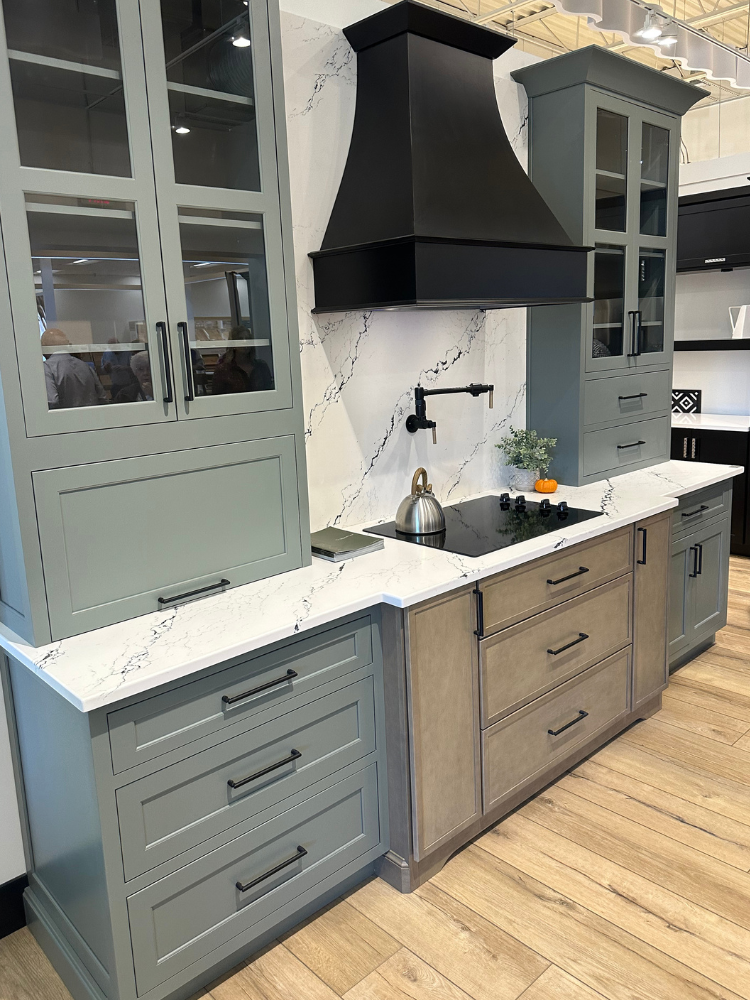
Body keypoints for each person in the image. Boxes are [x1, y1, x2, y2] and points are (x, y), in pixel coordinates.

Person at [42, 328, 108, 409]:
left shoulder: (47, 368)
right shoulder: (86, 366)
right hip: (91, 418)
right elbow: (102, 397)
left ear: (45, 348)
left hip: (64, 419)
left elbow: (52, 401)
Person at [211, 325, 273, 395]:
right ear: (233, 344)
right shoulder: (223, 370)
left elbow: (270, 392)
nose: (245, 342)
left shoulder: (261, 366)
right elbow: (217, 398)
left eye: (247, 339)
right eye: (240, 339)